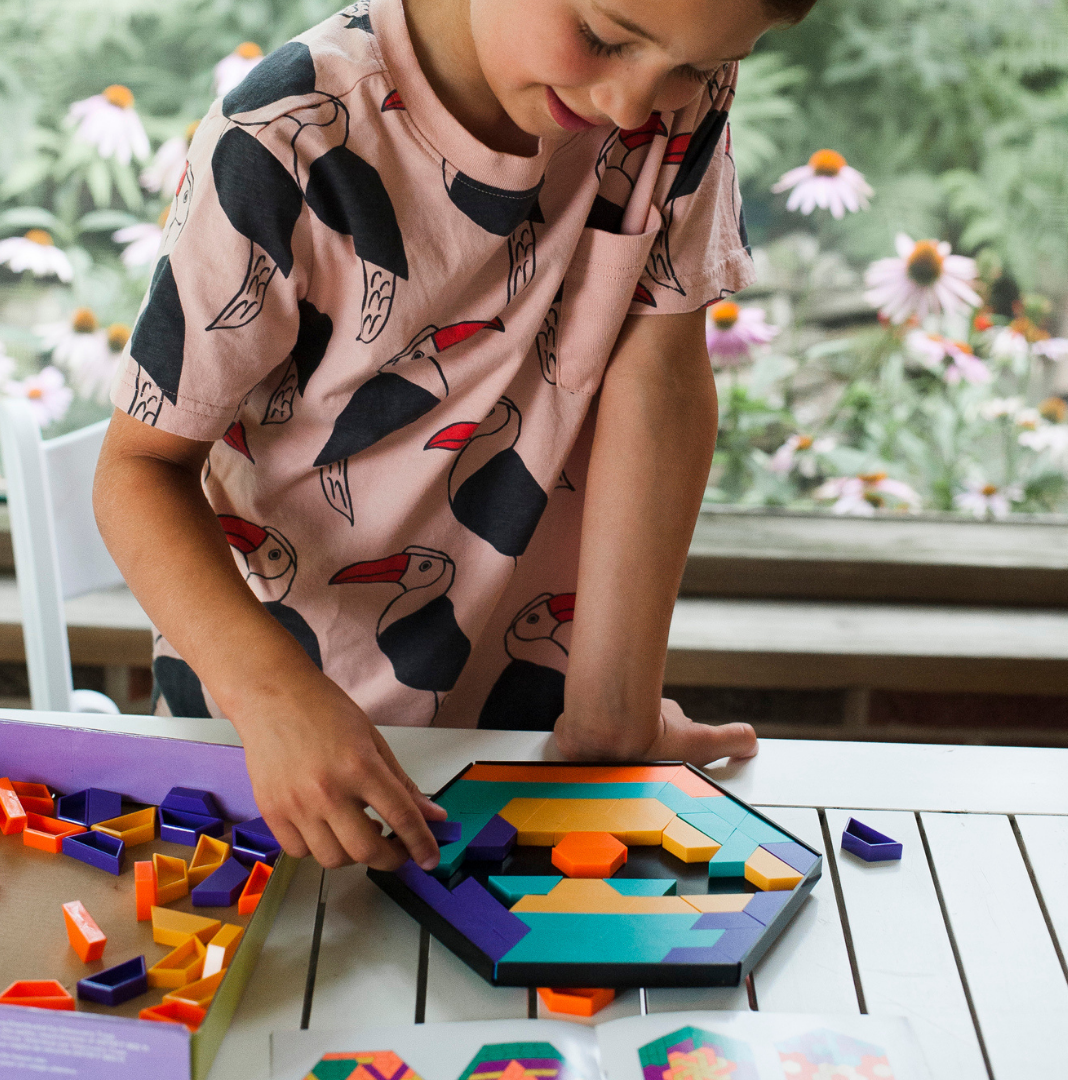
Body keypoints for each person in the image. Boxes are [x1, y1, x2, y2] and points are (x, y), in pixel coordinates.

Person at [94, 0, 814, 873]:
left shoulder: (675, 90)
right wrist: (276, 700)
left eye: (695, 68)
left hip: (532, 741)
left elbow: (657, 372)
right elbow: (139, 470)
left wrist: (613, 713)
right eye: (604, 38)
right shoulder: (282, 136)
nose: (634, 105)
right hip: (267, 747)